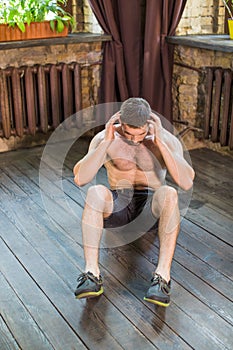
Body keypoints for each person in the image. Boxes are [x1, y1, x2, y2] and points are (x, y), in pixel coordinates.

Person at [73, 97, 195, 307]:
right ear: (119, 122)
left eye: (141, 134)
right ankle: (91, 274)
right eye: (128, 133)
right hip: (119, 204)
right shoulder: (106, 137)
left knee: (169, 193)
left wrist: (161, 143)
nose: (135, 140)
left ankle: (162, 278)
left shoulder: (165, 139)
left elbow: (185, 182)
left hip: (152, 208)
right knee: (94, 192)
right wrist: (107, 142)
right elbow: (80, 178)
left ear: (149, 123)